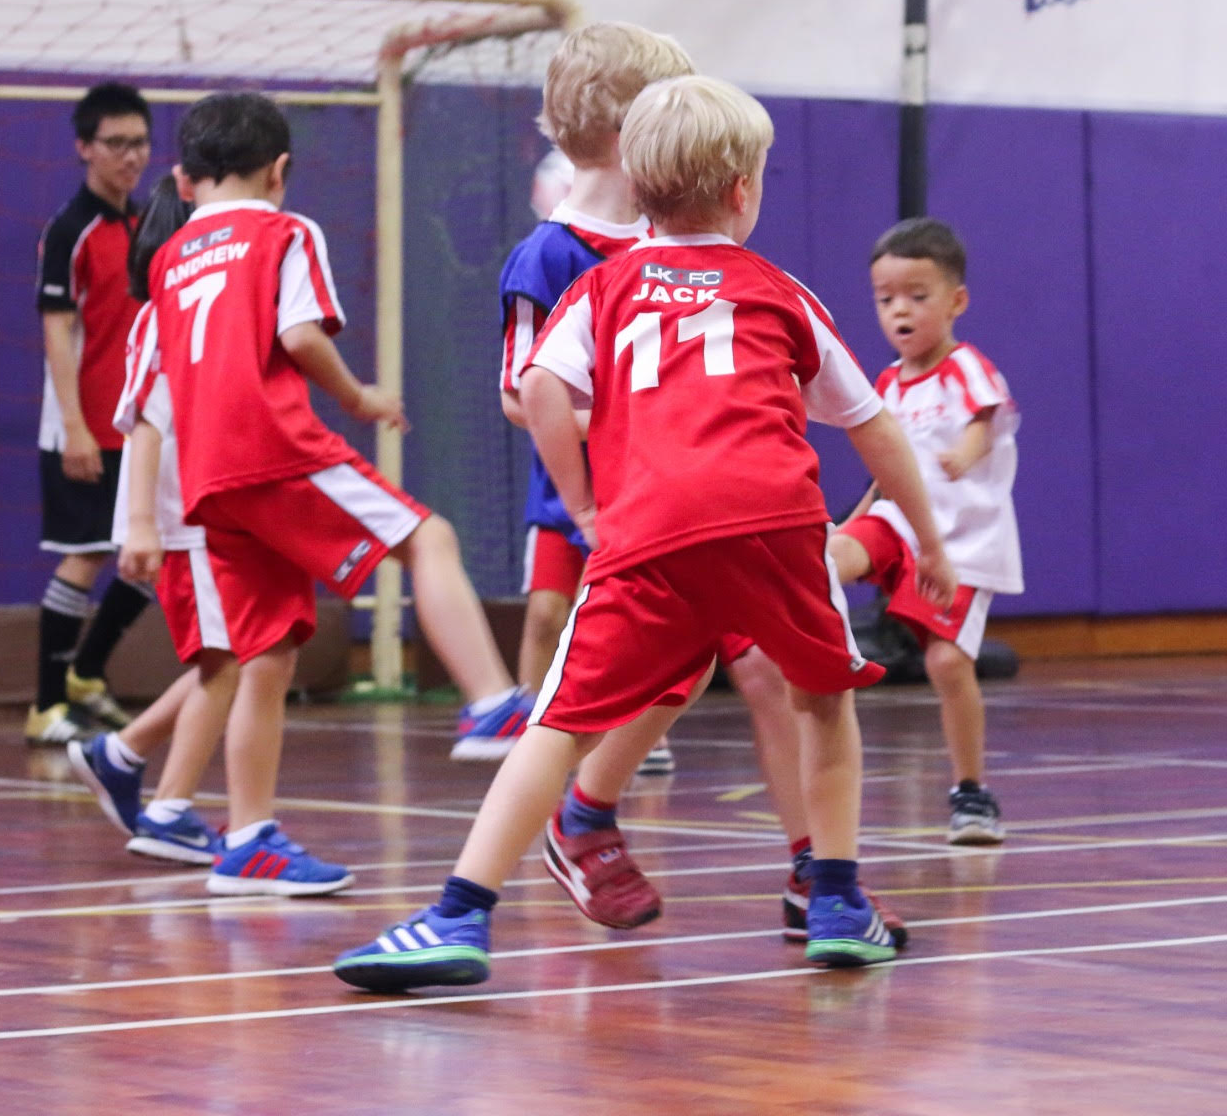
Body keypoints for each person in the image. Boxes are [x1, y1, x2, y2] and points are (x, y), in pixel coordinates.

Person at [333, 75, 955, 992]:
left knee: (558, 720)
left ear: (637, 183)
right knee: (823, 700)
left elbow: (539, 391)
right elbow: (873, 425)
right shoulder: (778, 291)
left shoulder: (604, 288)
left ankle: (457, 915)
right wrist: (928, 542)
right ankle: (835, 901)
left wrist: (584, 501)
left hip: (649, 531)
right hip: (774, 525)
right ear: (743, 191)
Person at [143, 91, 527, 890]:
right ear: (279, 169)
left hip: (206, 476)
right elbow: (298, 335)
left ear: (190, 179)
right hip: (271, 446)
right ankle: (491, 700)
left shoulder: (168, 258)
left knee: (268, 654)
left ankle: (248, 839)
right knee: (429, 538)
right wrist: (358, 398)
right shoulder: (286, 231)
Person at [498, 22, 695, 774]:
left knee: (662, 625)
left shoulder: (673, 247)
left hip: (655, 489)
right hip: (570, 485)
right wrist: (617, 417)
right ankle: (530, 719)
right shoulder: (547, 254)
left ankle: (629, 739)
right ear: (628, 133)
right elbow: (521, 396)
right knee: (552, 610)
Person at [828, 217, 1023, 845]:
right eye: (886, 300)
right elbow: (886, 473)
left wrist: (967, 453)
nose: (899, 311)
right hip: (900, 524)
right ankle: (780, 633)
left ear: (956, 301)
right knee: (833, 554)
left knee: (945, 664)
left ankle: (971, 790)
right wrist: (851, 521)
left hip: (962, 545)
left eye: (917, 295)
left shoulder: (965, 367)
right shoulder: (887, 383)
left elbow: (985, 417)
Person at [67, 178, 231, 868]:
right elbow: (144, 424)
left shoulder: (177, 313)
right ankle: (170, 808)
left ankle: (122, 751)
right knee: (231, 661)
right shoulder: (175, 316)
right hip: (176, 514)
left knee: (235, 655)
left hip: (187, 511)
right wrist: (140, 523)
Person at [29, 83, 155, 745]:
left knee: (148, 556)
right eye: (115, 143)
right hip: (79, 423)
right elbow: (57, 333)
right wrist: (75, 427)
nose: (129, 156)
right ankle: (46, 705)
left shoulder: (145, 224)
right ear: (85, 148)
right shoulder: (69, 231)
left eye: (139, 142)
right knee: (83, 557)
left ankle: (87, 673)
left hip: (136, 425)